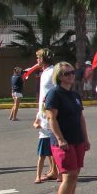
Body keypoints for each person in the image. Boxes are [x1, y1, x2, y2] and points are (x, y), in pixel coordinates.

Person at [44, 62, 90, 194]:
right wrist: (60, 139)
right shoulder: (54, 94)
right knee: (68, 176)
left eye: (72, 72)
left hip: (77, 139)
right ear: (59, 76)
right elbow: (52, 118)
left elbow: (80, 118)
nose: (71, 75)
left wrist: (85, 138)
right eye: (66, 73)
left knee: (74, 175)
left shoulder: (75, 95)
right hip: (63, 142)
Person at [32, 49, 60, 184]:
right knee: (50, 142)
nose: (37, 60)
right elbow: (43, 96)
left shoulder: (52, 72)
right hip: (43, 113)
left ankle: (57, 171)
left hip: (50, 113)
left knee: (52, 142)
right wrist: (38, 115)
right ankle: (53, 170)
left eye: (38, 58)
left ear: (43, 59)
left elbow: (56, 92)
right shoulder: (45, 73)